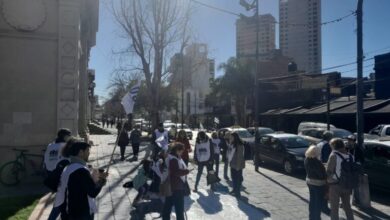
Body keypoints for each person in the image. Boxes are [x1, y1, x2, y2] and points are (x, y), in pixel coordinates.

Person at [58, 141, 108, 220]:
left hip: (69, 211)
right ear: (81, 152)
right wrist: (102, 181)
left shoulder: (68, 167)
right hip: (80, 214)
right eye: (88, 150)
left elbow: (80, 186)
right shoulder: (80, 170)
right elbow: (92, 192)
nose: (89, 153)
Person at [47, 138, 75, 220]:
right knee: (57, 210)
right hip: (65, 191)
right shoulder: (68, 161)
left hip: (62, 190)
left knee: (57, 209)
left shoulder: (64, 157)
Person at [326, 138, 354, 220]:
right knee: (347, 206)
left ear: (334, 145)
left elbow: (329, 171)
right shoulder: (351, 156)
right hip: (347, 184)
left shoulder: (334, 155)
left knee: (334, 208)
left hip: (335, 184)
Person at [162, 143, 191, 220]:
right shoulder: (173, 159)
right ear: (177, 150)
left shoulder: (173, 157)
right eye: (181, 151)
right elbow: (176, 172)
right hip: (176, 187)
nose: (182, 152)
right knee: (179, 208)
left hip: (172, 186)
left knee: (168, 206)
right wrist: (186, 171)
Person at [305, 145, 327, 220]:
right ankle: (317, 217)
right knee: (318, 202)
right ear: (316, 152)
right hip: (318, 183)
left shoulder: (307, 159)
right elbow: (320, 174)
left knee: (312, 200)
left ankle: (311, 217)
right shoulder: (317, 162)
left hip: (310, 181)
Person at [228, 132, 245, 198]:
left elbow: (240, 157)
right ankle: (234, 190)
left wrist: (238, 166)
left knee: (237, 179)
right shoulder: (232, 144)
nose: (230, 138)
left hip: (238, 164)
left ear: (235, 138)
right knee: (233, 178)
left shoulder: (239, 145)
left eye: (231, 137)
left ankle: (237, 193)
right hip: (232, 164)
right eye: (230, 137)